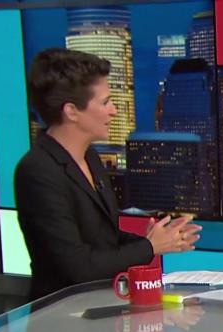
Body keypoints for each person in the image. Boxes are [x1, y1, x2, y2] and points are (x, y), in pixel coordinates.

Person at [15, 48, 201, 299]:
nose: (114, 111)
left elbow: (104, 240)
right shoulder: (38, 171)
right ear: (71, 111)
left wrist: (159, 238)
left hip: (99, 304)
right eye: (105, 102)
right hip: (59, 313)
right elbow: (78, 267)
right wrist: (150, 247)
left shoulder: (91, 158)